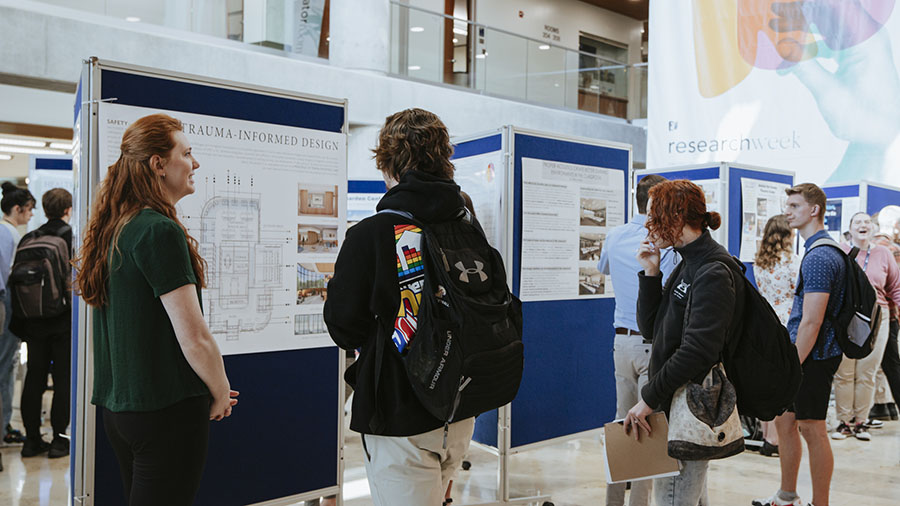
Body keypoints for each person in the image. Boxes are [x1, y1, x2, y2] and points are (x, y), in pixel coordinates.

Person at [73, 113, 238, 505]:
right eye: (187, 153)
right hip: (166, 410)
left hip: (123, 411)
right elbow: (194, 337)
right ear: (158, 164)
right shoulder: (158, 230)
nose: (195, 163)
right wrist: (219, 392)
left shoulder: (117, 227)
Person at [324, 108, 475, 506]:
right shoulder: (465, 225)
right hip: (460, 407)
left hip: (399, 413)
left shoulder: (371, 234)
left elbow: (345, 329)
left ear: (387, 161)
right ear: (444, 158)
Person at [625, 179, 738, 506]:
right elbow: (651, 329)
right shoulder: (687, 262)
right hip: (673, 402)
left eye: (653, 216)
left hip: (687, 406)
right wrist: (651, 273)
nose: (648, 225)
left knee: (674, 497)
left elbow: (698, 351)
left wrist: (648, 398)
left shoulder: (712, 269)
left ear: (675, 218)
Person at [755, 183, 845, 506]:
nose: (788, 212)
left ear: (814, 210)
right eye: (788, 206)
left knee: (812, 428)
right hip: (801, 353)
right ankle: (787, 494)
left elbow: (812, 320)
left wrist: (792, 364)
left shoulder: (819, 256)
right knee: (785, 420)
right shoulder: (814, 252)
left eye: (794, 206)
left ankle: (820, 502)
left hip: (813, 357)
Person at [598, 173, 676, 506]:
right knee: (648, 431)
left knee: (622, 426)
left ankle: (613, 501)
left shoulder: (614, 236)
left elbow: (604, 269)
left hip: (622, 344)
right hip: (653, 344)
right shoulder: (665, 243)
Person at [11, 188, 73, 458]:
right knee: (61, 379)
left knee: (34, 379)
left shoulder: (29, 237)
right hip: (60, 320)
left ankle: (31, 440)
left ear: (45, 209)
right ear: (68, 209)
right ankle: (59, 441)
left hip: (31, 321)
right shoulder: (70, 236)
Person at [830, 212, 900, 441]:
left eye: (867, 222)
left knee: (867, 371)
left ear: (873, 229)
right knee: (844, 371)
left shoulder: (883, 253)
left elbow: (895, 287)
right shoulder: (840, 250)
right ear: (850, 229)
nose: (863, 225)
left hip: (877, 315)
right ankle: (844, 421)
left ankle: (860, 421)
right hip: (847, 316)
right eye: (857, 221)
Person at [752, 215, 801, 457]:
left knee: (765, 383)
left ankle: (767, 437)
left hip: (765, 323)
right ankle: (778, 439)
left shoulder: (759, 262)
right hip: (788, 323)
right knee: (783, 385)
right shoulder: (794, 262)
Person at [0, 181, 34, 445]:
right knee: (5, 368)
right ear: (17, 209)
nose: (31, 215)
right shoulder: (8, 234)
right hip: (6, 306)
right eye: (29, 210)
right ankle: (3, 427)